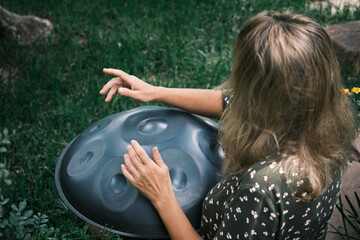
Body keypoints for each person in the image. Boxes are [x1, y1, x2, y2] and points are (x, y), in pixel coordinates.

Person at [99, 11, 357, 240]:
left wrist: (162, 196)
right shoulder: (328, 129)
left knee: (99, 224)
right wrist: (156, 91)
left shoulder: (262, 187)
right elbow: (226, 102)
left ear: (259, 95)